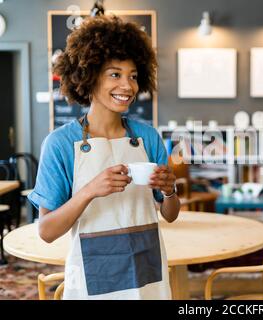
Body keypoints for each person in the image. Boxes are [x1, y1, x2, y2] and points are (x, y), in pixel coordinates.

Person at [28, 15, 180, 300]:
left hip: (147, 272)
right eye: (115, 74)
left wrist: (170, 191)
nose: (127, 86)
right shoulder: (60, 143)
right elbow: (46, 231)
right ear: (89, 75)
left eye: (133, 76)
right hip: (92, 276)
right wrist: (88, 192)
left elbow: (170, 215)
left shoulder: (147, 137)